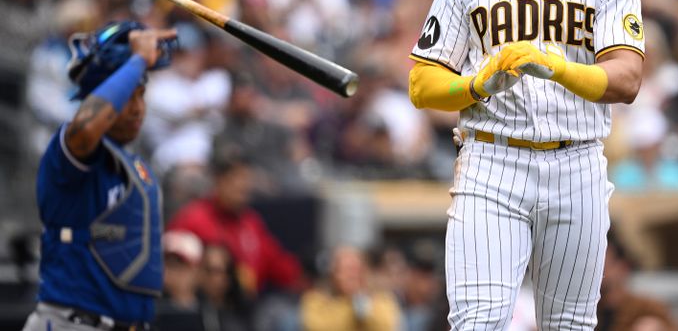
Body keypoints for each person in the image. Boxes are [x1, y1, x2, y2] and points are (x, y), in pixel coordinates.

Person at [407, 0, 646, 329]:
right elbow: (422, 83)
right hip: (491, 161)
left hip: (576, 161)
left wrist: (555, 65)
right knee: (477, 322)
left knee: (569, 325)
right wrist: (476, 84)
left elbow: (626, 79)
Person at [22, 20, 177, 330]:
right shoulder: (69, 148)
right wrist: (135, 62)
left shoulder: (135, 166)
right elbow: (84, 128)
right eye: (128, 96)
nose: (137, 109)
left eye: (141, 95)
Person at [167, 145, 306, 297]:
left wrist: (306, 280)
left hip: (246, 307)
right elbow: (170, 268)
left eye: (246, 178)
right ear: (218, 180)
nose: (243, 186)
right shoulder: (192, 219)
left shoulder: (251, 222)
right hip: (206, 305)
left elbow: (277, 263)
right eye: (235, 178)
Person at [299, 245, 402, 331]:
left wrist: (361, 300)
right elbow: (316, 327)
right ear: (333, 274)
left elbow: (386, 326)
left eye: (356, 269)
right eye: (345, 270)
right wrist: (354, 311)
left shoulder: (382, 299)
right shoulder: (315, 299)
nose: (352, 275)